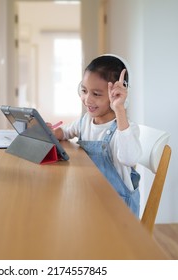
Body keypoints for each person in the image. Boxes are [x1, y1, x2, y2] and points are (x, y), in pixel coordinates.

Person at [50, 54, 142, 217]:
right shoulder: (85, 121)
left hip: (118, 212)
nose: (87, 99)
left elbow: (130, 158)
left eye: (97, 94)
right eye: (84, 91)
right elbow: (65, 132)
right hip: (89, 202)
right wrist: (53, 131)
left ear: (118, 94)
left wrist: (119, 109)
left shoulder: (125, 129)